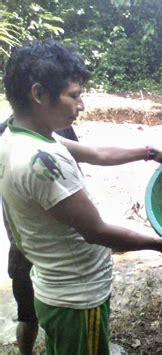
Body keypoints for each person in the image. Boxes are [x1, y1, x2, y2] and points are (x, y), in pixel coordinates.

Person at [0, 39, 162, 355]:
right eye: (73, 96)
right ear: (38, 94)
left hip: (53, 288)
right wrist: (161, 244)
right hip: (77, 298)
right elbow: (96, 231)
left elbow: (95, 153)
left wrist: (150, 152)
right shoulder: (42, 162)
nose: (81, 106)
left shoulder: (16, 134)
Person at [0, 118, 78, 355]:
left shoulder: (61, 128)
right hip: (27, 246)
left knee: (62, 311)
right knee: (28, 315)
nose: (79, 105)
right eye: (73, 95)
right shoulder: (7, 135)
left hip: (59, 244)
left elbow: (78, 165)